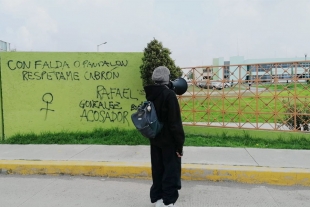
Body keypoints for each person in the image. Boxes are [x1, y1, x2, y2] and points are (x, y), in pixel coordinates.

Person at [144, 66, 185, 207]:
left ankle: (157, 199)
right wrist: (179, 146)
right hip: (169, 142)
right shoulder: (169, 95)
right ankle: (168, 201)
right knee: (170, 172)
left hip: (155, 139)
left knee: (158, 169)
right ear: (167, 78)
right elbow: (175, 124)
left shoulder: (151, 94)